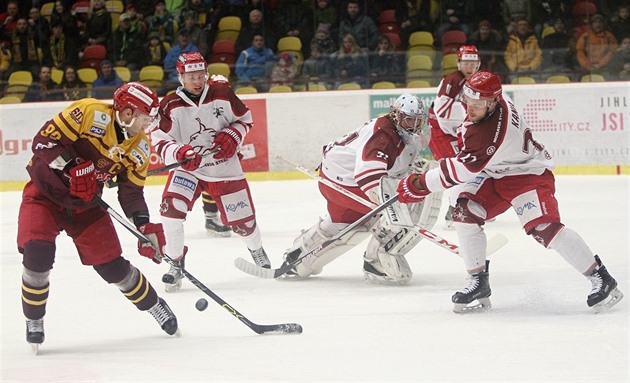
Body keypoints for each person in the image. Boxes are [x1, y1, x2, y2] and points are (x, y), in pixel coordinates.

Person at [397, 70, 624, 313]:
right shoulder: (492, 103)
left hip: (526, 175)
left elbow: (459, 171)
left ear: (493, 102)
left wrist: (418, 185)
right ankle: (478, 281)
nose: (470, 108)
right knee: (464, 212)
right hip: (494, 172)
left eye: (478, 105)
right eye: (468, 101)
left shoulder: (490, 133)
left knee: (544, 229)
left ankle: (601, 278)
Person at [17, 82, 179, 351]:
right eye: (144, 117)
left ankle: (154, 305)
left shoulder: (139, 149)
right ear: (127, 113)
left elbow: (131, 194)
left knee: (113, 267)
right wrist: (71, 167)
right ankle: (34, 319)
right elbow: (42, 143)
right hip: (44, 194)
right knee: (37, 254)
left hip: (86, 205)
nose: (148, 124)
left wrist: (144, 225)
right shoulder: (88, 113)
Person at [280, 94, 441, 284]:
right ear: (396, 116)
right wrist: (388, 208)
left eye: (417, 120)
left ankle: (297, 258)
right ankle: (378, 261)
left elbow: (394, 166)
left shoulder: (399, 132)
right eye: (409, 119)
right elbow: (368, 176)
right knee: (402, 206)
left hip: (336, 179)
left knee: (343, 225)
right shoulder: (383, 134)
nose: (414, 125)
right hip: (346, 183)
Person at [151, 52, 271, 292]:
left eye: (201, 75)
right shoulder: (169, 104)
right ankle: (175, 263)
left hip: (222, 168)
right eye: (191, 76)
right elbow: (160, 139)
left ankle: (256, 249)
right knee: (170, 211)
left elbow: (244, 120)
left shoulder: (221, 94)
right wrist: (179, 153)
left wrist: (234, 135)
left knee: (243, 222)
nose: (197, 81)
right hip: (189, 170)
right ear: (181, 77)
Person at [427, 45, 481, 229]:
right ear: (458, 63)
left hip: (452, 131)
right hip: (440, 132)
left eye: (473, 63)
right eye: (465, 62)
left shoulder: (475, 81)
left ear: (478, 64)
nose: (469, 66)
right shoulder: (453, 81)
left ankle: (468, 205)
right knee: (458, 168)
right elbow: (441, 111)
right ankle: (453, 211)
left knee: (470, 167)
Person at [575, 14, 618, 79]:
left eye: (600, 22)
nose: (598, 25)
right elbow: (579, 52)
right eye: (595, 22)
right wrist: (587, 65)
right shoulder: (585, 36)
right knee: (579, 78)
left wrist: (600, 65)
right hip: (587, 67)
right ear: (591, 24)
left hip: (605, 67)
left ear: (603, 24)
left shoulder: (609, 36)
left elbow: (612, 52)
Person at [503, 16, 542, 81]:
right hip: (515, 71)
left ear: (528, 27)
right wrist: (515, 68)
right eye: (520, 25)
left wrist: (530, 68)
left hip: (531, 71)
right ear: (517, 28)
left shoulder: (535, 40)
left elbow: (538, 56)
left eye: (525, 25)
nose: (523, 27)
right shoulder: (511, 40)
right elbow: (507, 56)